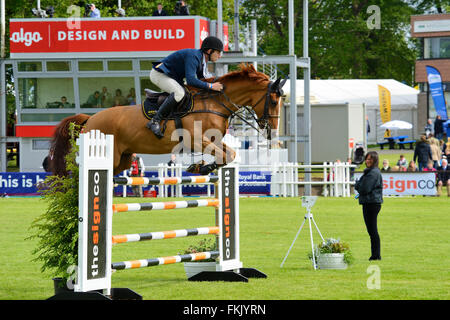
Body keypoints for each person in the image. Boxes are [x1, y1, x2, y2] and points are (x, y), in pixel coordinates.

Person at [146, 36, 224, 138]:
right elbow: (191, 80)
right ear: (209, 51)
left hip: (172, 77)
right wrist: (211, 86)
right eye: (218, 53)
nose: (220, 56)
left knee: (189, 93)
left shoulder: (202, 61)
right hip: (159, 74)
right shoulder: (194, 56)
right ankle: (155, 120)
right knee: (180, 93)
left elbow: (203, 79)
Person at [354, 151, 383, 261]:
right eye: (366, 159)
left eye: (370, 159)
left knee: (372, 231)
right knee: (371, 230)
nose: (367, 161)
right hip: (370, 202)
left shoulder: (373, 173)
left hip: (371, 203)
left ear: (375, 160)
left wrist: (357, 185)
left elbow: (364, 188)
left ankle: (376, 255)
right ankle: (375, 255)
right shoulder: (370, 172)